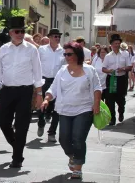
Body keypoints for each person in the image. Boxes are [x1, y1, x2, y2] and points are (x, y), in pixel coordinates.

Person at [41, 41, 101, 180]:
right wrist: (46, 99)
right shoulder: (62, 71)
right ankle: (73, 156)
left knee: (78, 138)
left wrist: (96, 103)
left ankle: (78, 168)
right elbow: (53, 89)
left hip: (84, 109)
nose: (67, 57)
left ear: (78, 54)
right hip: (65, 110)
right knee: (63, 139)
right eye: (65, 54)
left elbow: (97, 88)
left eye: (70, 54)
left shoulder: (89, 70)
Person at [0, 17, 43, 168]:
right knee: (3, 122)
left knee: (22, 125)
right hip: (6, 90)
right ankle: (16, 145)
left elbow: (38, 73)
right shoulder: (4, 49)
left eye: (22, 31)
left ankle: (17, 157)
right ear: (10, 33)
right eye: (17, 31)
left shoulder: (32, 49)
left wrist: (39, 95)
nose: (20, 34)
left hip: (25, 91)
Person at [37, 28, 65, 143]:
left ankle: (52, 132)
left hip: (57, 81)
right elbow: (36, 64)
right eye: (55, 36)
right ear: (50, 38)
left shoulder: (63, 51)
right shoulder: (42, 50)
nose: (57, 38)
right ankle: (41, 122)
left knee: (57, 107)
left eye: (59, 37)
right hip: (43, 79)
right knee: (41, 103)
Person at [102, 34, 132, 126]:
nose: (117, 45)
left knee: (121, 99)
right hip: (111, 78)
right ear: (111, 45)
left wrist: (123, 69)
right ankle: (112, 119)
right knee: (110, 100)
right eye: (115, 43)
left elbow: (130, 67)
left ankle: (121, 112)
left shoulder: (125, 54)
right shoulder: (108, 56)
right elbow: (103, 69)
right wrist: (109, 70)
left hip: (121, 79)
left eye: (118, 43)